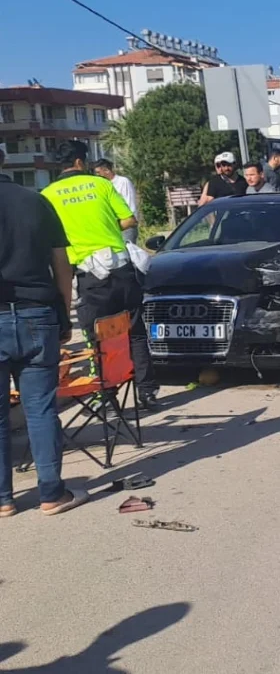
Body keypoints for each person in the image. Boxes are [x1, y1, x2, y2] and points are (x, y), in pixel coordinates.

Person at [0, 146, 89, 516]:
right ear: (4, 159)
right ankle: (51, 493)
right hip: (38, 312)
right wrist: (64, 311)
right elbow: (61, 264)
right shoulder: (36, 202)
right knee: (40, 409)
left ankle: (3, 500)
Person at [40, 141, 159, 409]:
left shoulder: (47, 195)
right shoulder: (102, 184)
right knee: (135, 332)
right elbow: (129, 220)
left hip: (89, 275)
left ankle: (106, 396)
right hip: (121, 267)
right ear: (81, 162)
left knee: (97, 336)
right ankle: (147, 392)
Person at [93, 159, 140, 244]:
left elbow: (130, 203)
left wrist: (129, 222)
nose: (97, 175)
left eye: (98, 172)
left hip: (126, 226)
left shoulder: (122, 182)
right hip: (112, 227)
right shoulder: (102, 185)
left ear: (106, 170)